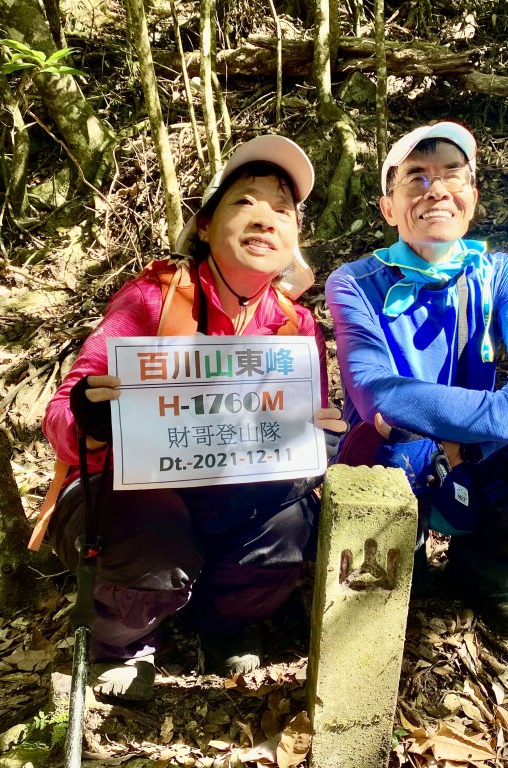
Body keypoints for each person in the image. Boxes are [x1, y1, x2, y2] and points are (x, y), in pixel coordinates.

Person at [36, 135, 344, 700]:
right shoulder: (149, 299)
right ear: (204, 225)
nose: (265, 219)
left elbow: (302, 429)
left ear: (295, 238)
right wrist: (91, 417)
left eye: (282, 210)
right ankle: (123, 641)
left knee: (295, 524)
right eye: (245, 201)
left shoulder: (295, 325)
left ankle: (216, 618)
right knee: (150, 531)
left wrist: (321, 440)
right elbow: (62, 413)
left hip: (231, 495)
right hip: (131, 496)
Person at [325, 122, 508, 640]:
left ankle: (485, 574)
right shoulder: (354, 281)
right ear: (389, 208)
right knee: (396, 432)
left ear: (471, 197)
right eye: (416, 178)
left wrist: (479, 437)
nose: (436, 190)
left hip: (474, 439)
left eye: (452, 175)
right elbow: (373, 389)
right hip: (390, 443)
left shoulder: (499, 272)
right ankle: (399, 575)